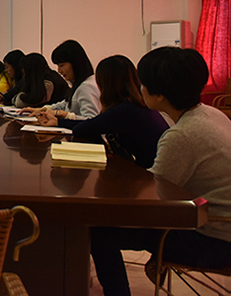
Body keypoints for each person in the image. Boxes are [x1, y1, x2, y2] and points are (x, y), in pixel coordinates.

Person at [90, 47, 231, 295]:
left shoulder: (181, 135)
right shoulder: (212, 114)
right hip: (220, 228)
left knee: (99, 230)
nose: (140, 88)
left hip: (213, 239)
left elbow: (152, 199)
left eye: (143, 83)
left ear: (159, 94)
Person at [36, 55, 168, 168]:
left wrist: (59, 121)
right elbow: (93, 124)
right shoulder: (137, 105)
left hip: (149, 175)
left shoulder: (123, 110)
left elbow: (84, 129)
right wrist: (58, 122)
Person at [24, 40, 101, 119]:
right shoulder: (80, 84)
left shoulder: (86, 87)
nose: (59, 71)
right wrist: (44, 109)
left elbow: (92, 120)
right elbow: (66, 104)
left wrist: (66, 115)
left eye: (61, 65)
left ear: (75, 63)